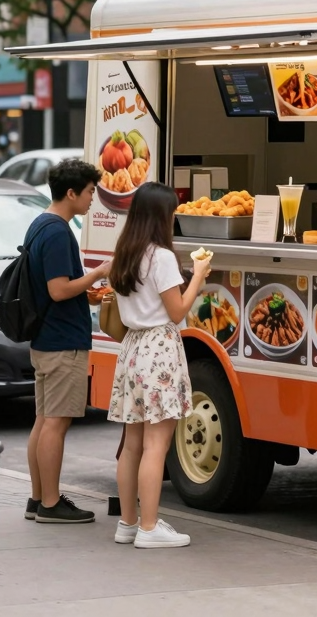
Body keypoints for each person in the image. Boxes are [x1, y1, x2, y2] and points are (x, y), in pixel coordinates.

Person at [106, 182, 211, 548]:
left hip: (132, 350)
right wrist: (198, 274)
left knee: (132, 445)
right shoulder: (162, 258)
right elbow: (178, 310)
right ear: (161, 217)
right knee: (156, 445)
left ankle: (128, 523)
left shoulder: (124, 252)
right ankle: (150, 529)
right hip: (159, 350)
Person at [26, 159, 111, 524]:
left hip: (44, 338)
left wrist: (86, 294)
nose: (93, 198)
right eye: (90, 191)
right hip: (63, 342)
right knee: (55, 425)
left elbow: (56, 288)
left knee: (43, 421)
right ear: (72, 193)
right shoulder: (59, 232)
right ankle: (50, 503)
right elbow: (58, 289)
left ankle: (36, 498)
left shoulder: (39, 225)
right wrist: (98, 272)